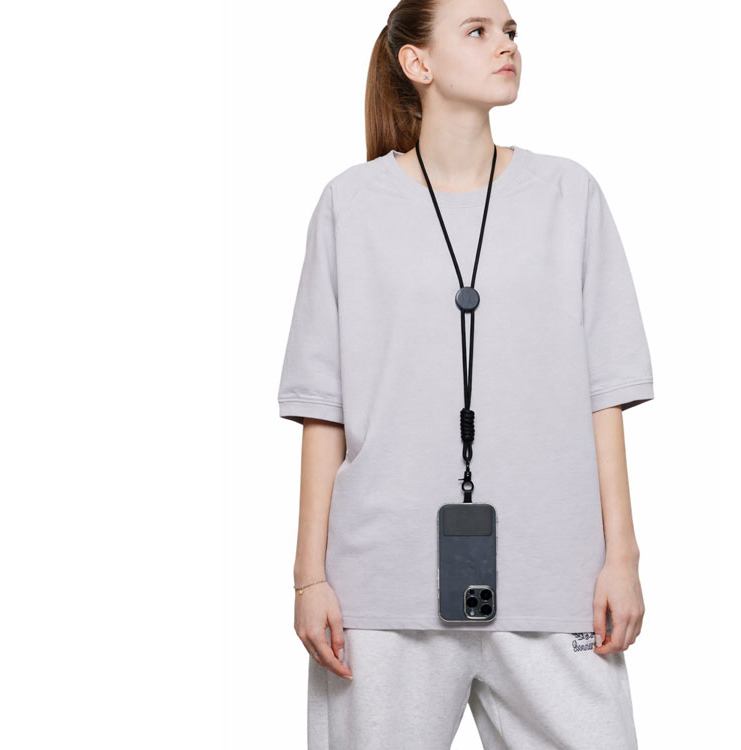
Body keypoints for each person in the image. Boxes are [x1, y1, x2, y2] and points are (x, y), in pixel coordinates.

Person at [277, 1, 655, 747]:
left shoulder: (569, 194)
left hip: (556, 581)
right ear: (417, 63)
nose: (505, 44)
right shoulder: (349, 205)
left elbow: (604, 397)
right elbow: (324, 409)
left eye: (510, 31)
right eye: (478, 31)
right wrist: (308, 578)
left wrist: (623, 557)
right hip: (382, 588)